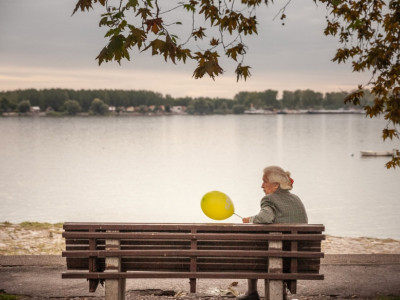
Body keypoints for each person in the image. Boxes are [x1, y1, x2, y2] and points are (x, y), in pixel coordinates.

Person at [238, 166, 308, 300]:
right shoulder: (296, 199)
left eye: (264, 181)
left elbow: (265, 218)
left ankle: (252, 292)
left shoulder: (269, 199)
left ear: (276, 185)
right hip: (298, 258)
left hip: (274, 259)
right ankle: (281, 292)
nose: (261, 186)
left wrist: (250, 220)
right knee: (277, 247)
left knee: (254, 250)